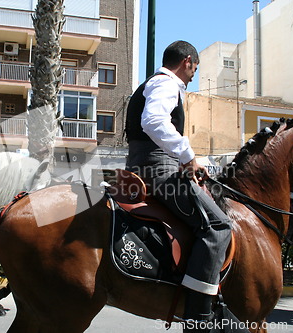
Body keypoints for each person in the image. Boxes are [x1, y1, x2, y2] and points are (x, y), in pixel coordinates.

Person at [125, 41, 231, 330]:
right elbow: (154, 121)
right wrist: (188, 156)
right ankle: (199, 315)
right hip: (157, 170)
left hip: (142, 165)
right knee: (218, 226)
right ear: (187, 61)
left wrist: (185, 164)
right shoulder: (167, 84)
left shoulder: (152, 83)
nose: (194, 74)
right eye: (195, 68)